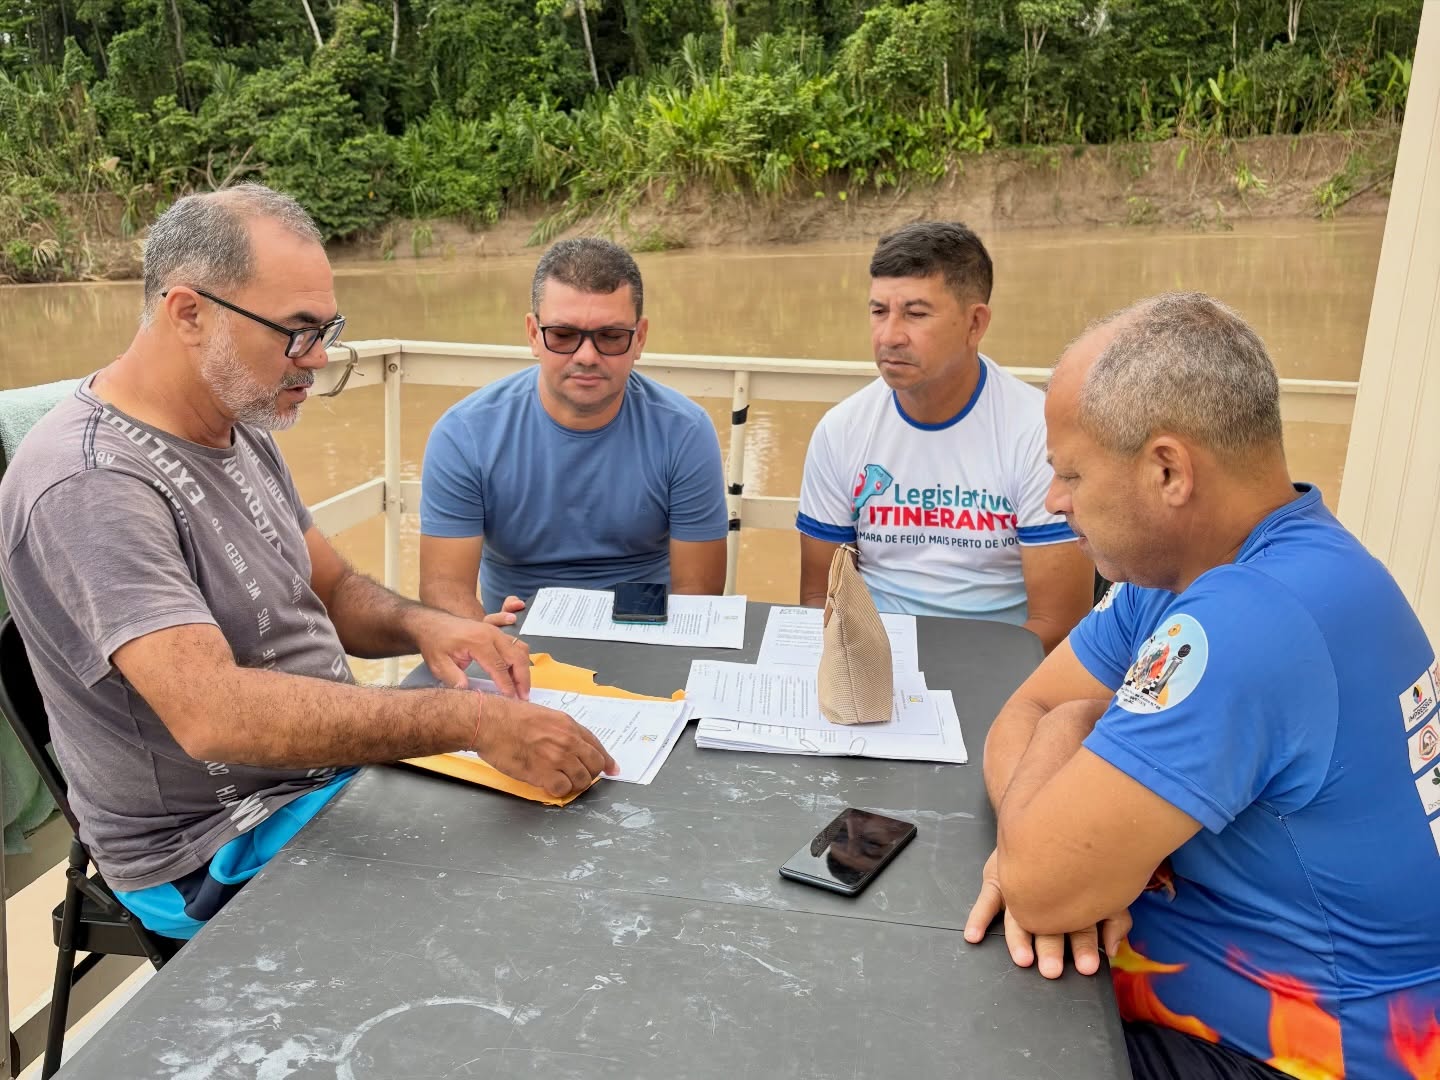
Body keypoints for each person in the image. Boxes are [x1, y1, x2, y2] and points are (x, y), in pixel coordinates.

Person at [0, 185, 615, 941]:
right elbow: (212, 716)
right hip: (215, 846)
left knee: (577, 827)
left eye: (326, 330)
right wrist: (469, 718)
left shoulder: (237, 413)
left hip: (321, 780)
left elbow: (334, 589)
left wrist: (431, 628)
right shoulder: (91, 483)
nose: (317, 359)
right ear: (188, 313)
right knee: (542, 898)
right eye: (296, 332)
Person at [963, 292, 1440, 1079]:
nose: (1054, 500)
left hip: (1302, 1053)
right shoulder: (1193, 569)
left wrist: (1058, 783)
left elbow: (1041, 889)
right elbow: (1027, 705)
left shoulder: (1253, 615)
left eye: (1071, 472)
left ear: (1167, 470)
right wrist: (1044, 834)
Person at [795, 221, 1092, 652]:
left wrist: (952, 680)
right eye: (879, 311)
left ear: (975, 323)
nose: (889, 336)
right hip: (871, 663)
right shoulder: (841, 431)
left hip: (997, 667)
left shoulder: (1036, 434)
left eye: (916, 314)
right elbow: (818, 598)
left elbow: (1058, 622)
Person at [418, 238, 728, 622]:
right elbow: (444, 589)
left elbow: (697, 594)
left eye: (611, 337)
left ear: (640, 338)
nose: (586, 356)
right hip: (516, 635)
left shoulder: (685, 433)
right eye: (563, 335)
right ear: (533, 334)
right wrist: (482, 638)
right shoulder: (464, 436)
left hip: (648, 633)